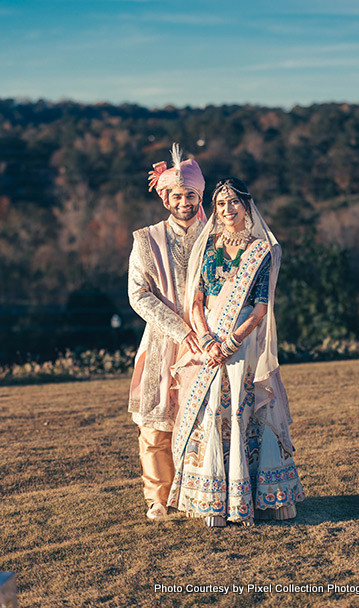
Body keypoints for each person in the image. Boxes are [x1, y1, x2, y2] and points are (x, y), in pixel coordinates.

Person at [168, 177, 305, 527]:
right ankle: (215, 500)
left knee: (245, 412)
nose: (227, 210)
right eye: (220, 203)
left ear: (246, 204)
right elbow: (196, 300)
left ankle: (254, 499)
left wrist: (232, 342)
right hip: (210, 337)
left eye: (233, 202)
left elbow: (261, 307)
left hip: (245, 341)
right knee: (212, 409)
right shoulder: (209, 246)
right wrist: (208, 340)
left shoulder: (261, 249)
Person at [128, 144, 206, 520]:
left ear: (199, 196)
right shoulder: (146, 239)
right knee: (156, 422)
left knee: (206, 419)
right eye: (177, 195)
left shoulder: (217, 236)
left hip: (209, 342)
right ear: (166, 199)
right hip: (162, 340)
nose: (185, 201)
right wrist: (178, 328)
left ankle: (198, 492)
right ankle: (158, 498)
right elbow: (138, 294)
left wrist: (206, 331)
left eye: (191, 194)